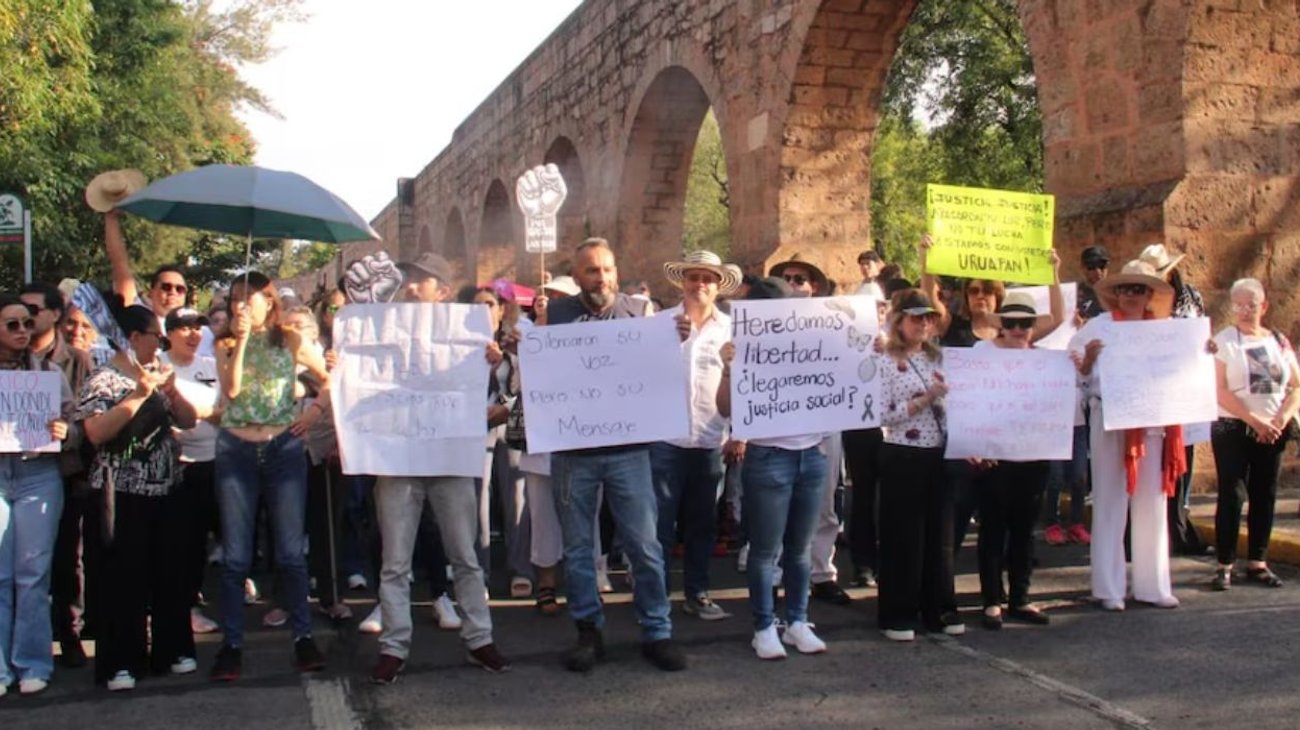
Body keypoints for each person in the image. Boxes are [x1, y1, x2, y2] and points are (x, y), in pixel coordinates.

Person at [535, 237, 686, 673]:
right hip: (573, 452)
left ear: (616, 272)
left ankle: (657, 630)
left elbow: (657, 375)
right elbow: (543, 379)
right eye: (590, 270)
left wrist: (673, 341)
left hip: (629, 452)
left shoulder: (641, 314)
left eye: (606, 269)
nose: (600, 277)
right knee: (580, 548)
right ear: (576, 275)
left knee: (644, 544)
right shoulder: (554, 318)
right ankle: (588, 631)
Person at [365, 252, 511, 684]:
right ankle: (394, 646)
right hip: (398, 457)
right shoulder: (379, 328)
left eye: (422, 280)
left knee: (464, 555)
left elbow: (478, 388)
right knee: (394, 561)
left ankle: (479, 638)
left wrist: (488, 360)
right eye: (409, 278)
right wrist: (342, 366)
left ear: (442, 291)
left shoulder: (464, 337)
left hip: (448, 456)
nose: (412, 286)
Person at [209, 272, 328, 682]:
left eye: (250, 298)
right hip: (236, 450)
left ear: (269, 301)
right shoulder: (224, 342)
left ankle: (303, 637)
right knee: (236, 554)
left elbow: (328, 380)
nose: (241, 305)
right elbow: (233, 391)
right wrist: (241, 340)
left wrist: (312, 413)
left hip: (282, 448)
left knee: (291, 552)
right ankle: (232, 644)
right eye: (235, 299)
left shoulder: (291, 339)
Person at [79, 301, 198, 691]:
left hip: (166, 488)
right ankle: (121, 661)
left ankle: (172, 649)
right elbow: (96, 433)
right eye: (155, 337)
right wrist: (136, 397)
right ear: (133, 338)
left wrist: (173, 394)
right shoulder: (104, 379)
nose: (160, 344)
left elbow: (187, 420)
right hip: (122, 491)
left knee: (170, 573)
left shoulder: (157, 373)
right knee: (123, 578)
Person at [925, 236, 1064, 554]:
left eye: (987, 290)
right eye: (973, 290)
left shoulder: (1013, 333)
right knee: (958, 511)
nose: (980, 296)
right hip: (963, 434)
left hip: (1004, 440)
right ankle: (941, 588)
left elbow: (1056, 318)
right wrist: (927, 261)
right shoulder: (953, 326)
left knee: (997, 516)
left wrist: (1053, 271)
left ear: (998, 296)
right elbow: (931, 298)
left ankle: (1000, 583)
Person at [716, 284, 831, 660]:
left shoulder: (812, 341)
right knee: (765, 551)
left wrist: (869, 350)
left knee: (800, 549)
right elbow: (724, 408)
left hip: (812, 454)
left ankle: (797, 621)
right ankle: (764, 626)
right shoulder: (741, 350)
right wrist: (729, 369)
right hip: (769, 456)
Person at [1070, 260, 1182, 611]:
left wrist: (1203, 354)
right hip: (1110, 419)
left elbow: (1186, 370)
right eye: (1125, 289)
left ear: (1149, 294)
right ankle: (1108, 587)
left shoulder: (1166, 330)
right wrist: (1086, 365)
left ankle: (1153, 585)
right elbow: (1074, 379)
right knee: (1109, 500)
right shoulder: (1095, 329)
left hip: (1151, 422)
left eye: (1138, 289)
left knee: (1152, 502)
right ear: (1114, 294)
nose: (1131, 295)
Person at [653, 251, 738, 621]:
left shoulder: (732, 329)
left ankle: (697, 592)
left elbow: (746, 386)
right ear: (682, 281)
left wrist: (742, 433)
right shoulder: (658, 323)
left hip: (710, 439)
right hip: (666, 439)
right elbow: (641, 375)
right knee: (659, 525)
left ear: (718, 286)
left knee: (702, 524)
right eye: (694, 277)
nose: (700, 283)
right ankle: (654, 598)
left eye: (708, 278)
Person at [0, 294, 78, 697]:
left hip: (37, 475)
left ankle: (32, 662)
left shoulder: (49, 374)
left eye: (26, 324)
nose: (21, 332)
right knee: (1, 575)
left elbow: (74, 424)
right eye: (11, 325)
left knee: (33, 574)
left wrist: (65, 432)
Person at [874, 289, 963, 641]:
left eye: (927, 317)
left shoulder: (938, 358)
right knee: (903, 536)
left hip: (938, 452)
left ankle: (939, 607)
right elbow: (883, 415)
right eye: (915, 317)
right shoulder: (884, 361)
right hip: (901, 453)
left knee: (939, 536)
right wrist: (927, 399)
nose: (923, 323)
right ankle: (899, 612)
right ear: (899, 321)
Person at [19, 283, 97, 667]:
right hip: (13, 471)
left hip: (65, 473)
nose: (27, 319)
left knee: (68, 557)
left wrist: (70, 433)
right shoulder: (9, 361)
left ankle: (69, 633)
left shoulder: (76, 362)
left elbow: (89, 421)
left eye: (33, 310)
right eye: (20, 313)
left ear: (54, 314)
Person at [768, 254, 852, 606]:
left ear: (813, 286)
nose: (792, 284)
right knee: (773, 505)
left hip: (823, 425)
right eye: (786, 278)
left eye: (799, 279)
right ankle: (771, 575)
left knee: (823, 504)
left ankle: (821, 572)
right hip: (777, 424)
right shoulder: (764, 323)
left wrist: (872, 346)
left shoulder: (835, 321)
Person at [1209, 278, 1299, 590]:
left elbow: (1295, 386)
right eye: (1239, 305)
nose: (1245, 311)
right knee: (1232, 494)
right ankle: (1224, 563)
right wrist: (1254, 420)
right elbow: (1219, 389)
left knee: (1266, 492)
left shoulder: (1278, 340)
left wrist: (1281, 418)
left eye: (1251, 305)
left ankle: (1258, 561)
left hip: (1273, 429)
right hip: (1233, 426)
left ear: (1264, 307)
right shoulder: (1225, 341)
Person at [972, 292, 1054, 630]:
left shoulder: (1046, 360)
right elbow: (968, 400)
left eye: (1025, 323)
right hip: (994, 456)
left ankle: (1020, 597)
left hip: (1033, 454)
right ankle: (992, 599)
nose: (1018, 329)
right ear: (1001, 326)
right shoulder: (982, 353)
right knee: (993, 527)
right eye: (1012, 323)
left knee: (1024, 529)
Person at [1140, 244, 1209, 557]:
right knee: (1156, 463)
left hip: (1185, 387)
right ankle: (1159, 531)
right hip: (1154, 390)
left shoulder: (1190, 296)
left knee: (1183, 462)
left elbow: (1199, 331)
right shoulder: (1143, 300)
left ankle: (1179, 524)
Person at [158, 308, 222, 637]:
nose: (193, 334)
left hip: (214, 461)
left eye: (198, 328)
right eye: (184, 328)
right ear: (168, 333)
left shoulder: (212, 366)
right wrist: (206, 413)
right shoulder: (156, 366)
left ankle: (202, 600)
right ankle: (180, 606)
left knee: (210, 538)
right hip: (174, 465)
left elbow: (228, 410)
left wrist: (198, 411)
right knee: (180, 541)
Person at [1075, 245, 1109, 321]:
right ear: (1082, 268)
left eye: (1102, 266)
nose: (1098, 272)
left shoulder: (1115, 295)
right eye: (1091, 267)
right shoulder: (1074, 295)